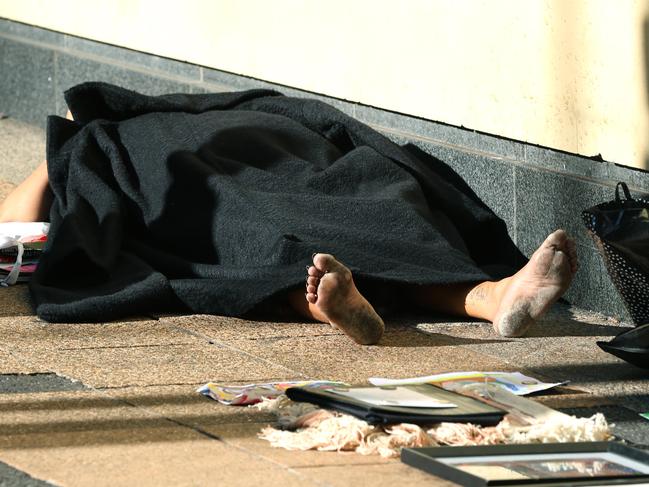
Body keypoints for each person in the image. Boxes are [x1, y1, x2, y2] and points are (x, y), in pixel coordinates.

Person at [0, 84, 578, 345]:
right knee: (340, 211)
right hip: (257, 153)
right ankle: (487, 295)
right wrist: (71, 146)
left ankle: (484, 296)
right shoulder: (103, 139)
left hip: (257, 152)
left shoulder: (99, 138)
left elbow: (14, 228)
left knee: (266, 229)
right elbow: (12, 229)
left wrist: (68, 147)